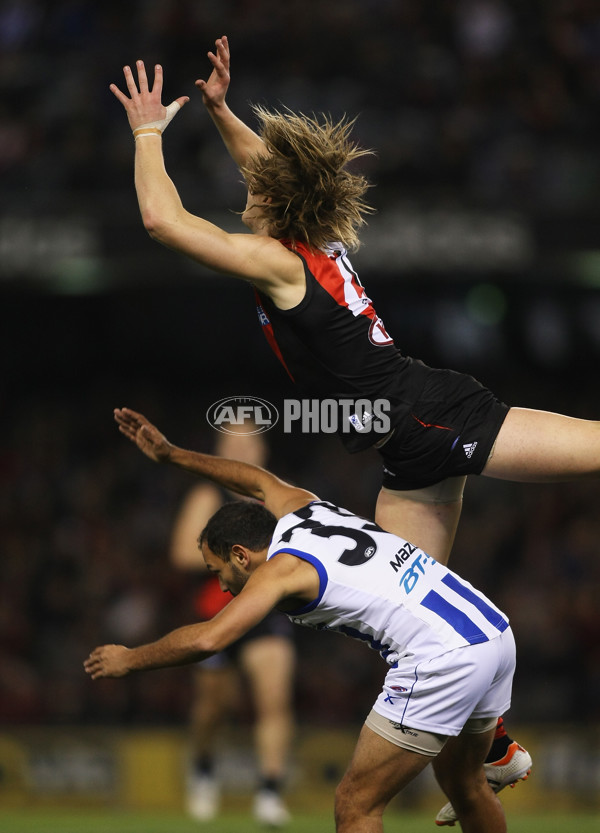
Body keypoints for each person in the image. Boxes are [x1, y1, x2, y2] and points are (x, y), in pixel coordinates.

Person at [112, 35, 600, 820]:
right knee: (409, 626)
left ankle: (496, 750)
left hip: (432, 419)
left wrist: (146, 131)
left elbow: (163, 222)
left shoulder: (280, 262)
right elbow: (271, 170)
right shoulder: (313, 239)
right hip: (407, 448)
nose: (246, 179)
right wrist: (220, 111)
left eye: (255, 180)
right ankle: (499, 747)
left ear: (274, 198)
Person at [86, 407, 518, 833]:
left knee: (355, 805)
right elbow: (255, 480)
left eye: (218, 572)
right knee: (465, 783)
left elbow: (209, 640)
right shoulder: (306, 509)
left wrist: (130, 659)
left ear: (241, 554)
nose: (221, 587)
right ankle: (503, 752)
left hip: (442, 658)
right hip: (492, 630)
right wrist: (173, 455)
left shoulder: (281, 571)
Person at [170, 425, 294, 826]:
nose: (241, 448)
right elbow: (181, 554)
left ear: (263, 449)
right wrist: (235, 558)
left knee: (274, 699)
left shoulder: (277, 499)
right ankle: (203, 768)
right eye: (232, 442)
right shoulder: (208, 496)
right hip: (216, 613)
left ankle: (270, 791)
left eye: (248, 441)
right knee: (212, 707)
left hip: (267, 614)